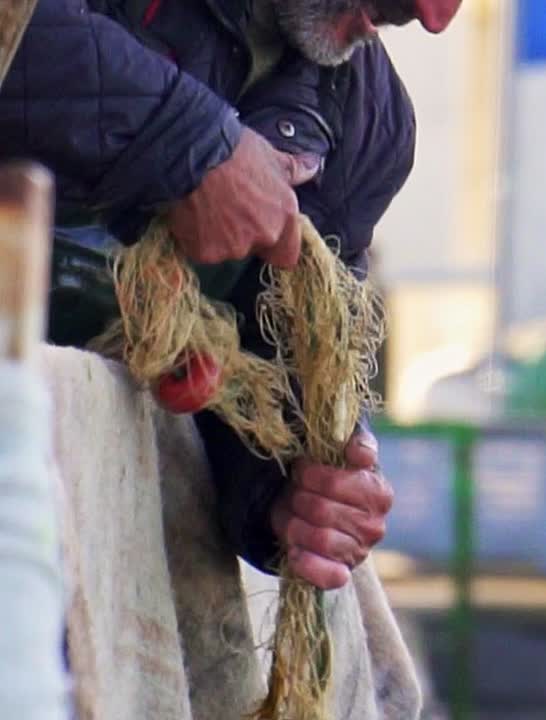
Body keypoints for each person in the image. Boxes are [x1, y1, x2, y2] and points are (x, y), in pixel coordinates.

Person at [0, 0, 463, 590]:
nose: (433, 18)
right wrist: (185, 142)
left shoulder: (369, 127)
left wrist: (295, 497)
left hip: (81, 546)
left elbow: (278, 375)